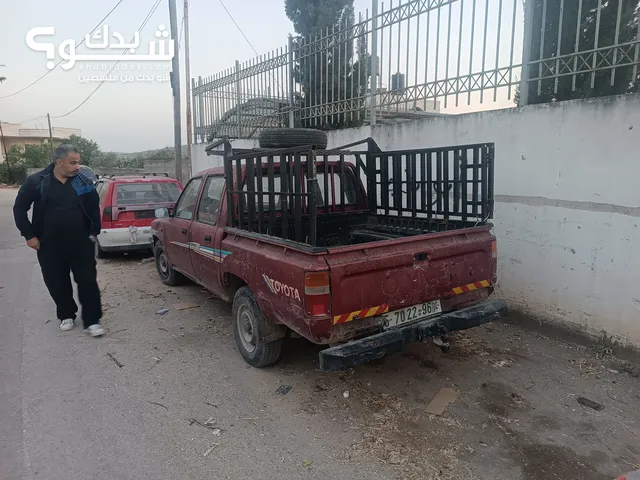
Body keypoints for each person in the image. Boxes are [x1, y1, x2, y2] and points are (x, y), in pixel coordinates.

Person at [13, 144, 105, 337]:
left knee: (87, 281)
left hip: (81, 242)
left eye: (78, 162)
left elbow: (94, 207)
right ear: (59, 162)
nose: (77, 167)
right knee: (56, 281)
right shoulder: (38, 182)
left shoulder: (83, 181)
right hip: (48, 244)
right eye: (73, 163)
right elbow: (19, 209)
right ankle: (66, 314)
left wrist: (94, 232)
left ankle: (92, 320)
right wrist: (29, 235)